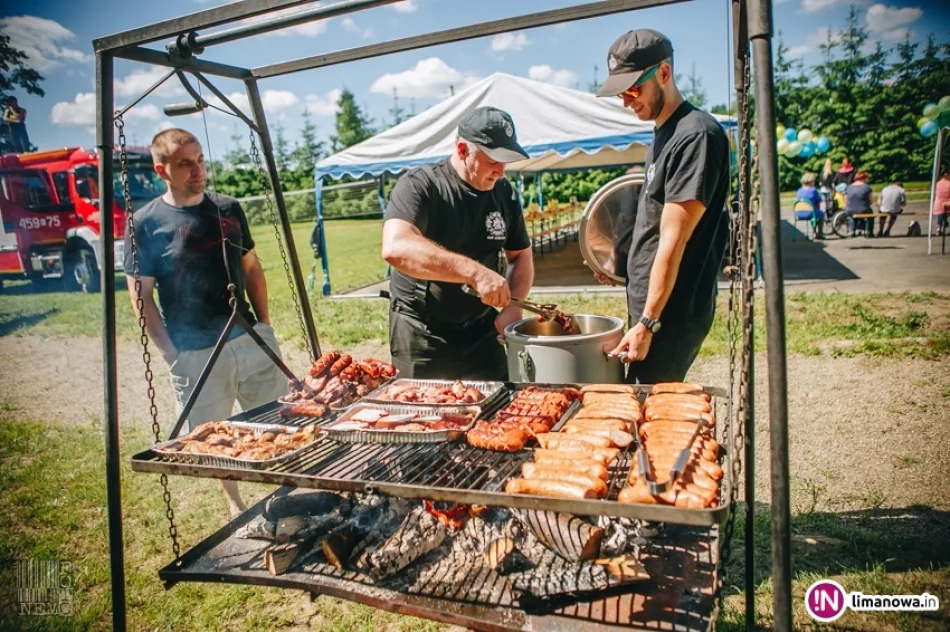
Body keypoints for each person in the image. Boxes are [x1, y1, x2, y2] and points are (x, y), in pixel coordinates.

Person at [123, 128, 286, 520]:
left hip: (248, 337)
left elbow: (252, 269)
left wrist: (263, 325)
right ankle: (234, 503)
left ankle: (286, 495)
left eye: (200, 160)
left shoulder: (227, 208)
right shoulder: (145, 223)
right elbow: (139, 296)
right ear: (161, 169)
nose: (198, 170)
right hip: (194, 348)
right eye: (185, 163)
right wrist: (171, 354)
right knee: (215, 435)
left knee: (279, 419)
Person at [593, 29, 730, 384]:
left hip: (670, 315)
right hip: (652, 310)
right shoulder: (663, 132)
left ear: (664, 74)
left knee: (649, 413)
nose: (626, 101)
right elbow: (653, 223)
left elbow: (674, 239)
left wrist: (649, 322)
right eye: (621, 92)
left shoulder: (696, 134)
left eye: (633, 89)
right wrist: (621, 265)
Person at [381, 106, 534, 380]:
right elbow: (397, 247)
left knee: (498, 414)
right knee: (423, 418)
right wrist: (475, 273)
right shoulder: (421, 185)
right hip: (422, 332)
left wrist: (514, 305)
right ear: (463, 150)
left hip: (481, 330)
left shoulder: (504, 193)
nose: (501, 171)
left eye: (506, 160)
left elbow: (521, 255)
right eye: (492, 160)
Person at [844, 171, 874, 238]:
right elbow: (871, 201)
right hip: (863, 210)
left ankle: (852, 231)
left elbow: (845, 200)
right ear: (864, 178)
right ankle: (869, 231)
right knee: (870, 213)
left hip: (850, 210)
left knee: (850, 214)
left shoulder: (849, 187)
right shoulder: (867, 187)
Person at [795, 172, 824, 239]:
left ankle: (814, 231)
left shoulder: (799, 191)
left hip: (798, 213)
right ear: (811, 182)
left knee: (813, 211)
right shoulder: (813, 191)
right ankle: (819, 233)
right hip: (810, 213)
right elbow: (819, 200)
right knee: (821, 214)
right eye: (813, 181)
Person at [933, 169, 950, 237]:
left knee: (941, 215)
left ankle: (938, 228)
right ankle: (943, 225)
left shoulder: (937, 183)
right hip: (948, 202)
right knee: (944, 215)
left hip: (939, 203)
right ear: (946, 175)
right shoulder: (949, 183)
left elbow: (936, 193)